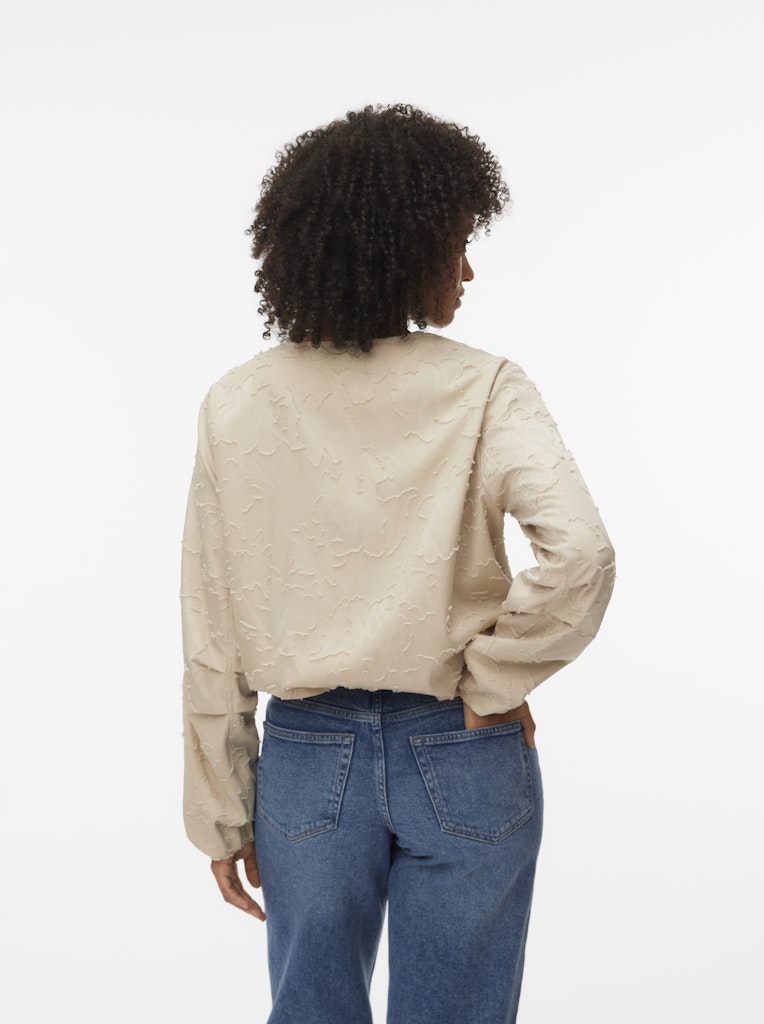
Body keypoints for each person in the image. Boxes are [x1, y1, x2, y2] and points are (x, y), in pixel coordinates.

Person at [181, 103, 615, 1024]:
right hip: (464, 747)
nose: (468, 268)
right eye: (457, 243)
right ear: (402, 247)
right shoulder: (485, 386)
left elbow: (211, 631)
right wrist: (493, 680)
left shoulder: (237, 403)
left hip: (306, 760)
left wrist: (219, 806)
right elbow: (580, 554)